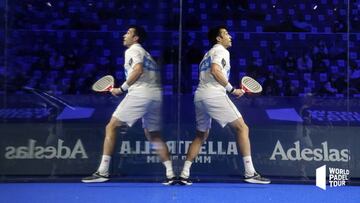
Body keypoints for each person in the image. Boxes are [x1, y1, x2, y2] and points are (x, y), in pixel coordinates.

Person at [82, 26, 175, 185]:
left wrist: (121, 89)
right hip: (156, 96)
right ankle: (171, 174)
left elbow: (137, 70)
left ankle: (102, 172)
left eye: (128, 33)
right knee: (153, 135)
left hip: (140, 93)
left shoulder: (133, 50)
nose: (124, 35)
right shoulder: (148, 55)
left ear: (136, 38)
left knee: (111, 126)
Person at [179, 26, 270, 185]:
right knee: (242, 128)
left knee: (201, 136)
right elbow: (215, 70)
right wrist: (232, 90)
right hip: (214, 94)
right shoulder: (221, 51)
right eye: (226, 34)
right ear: (218, 39)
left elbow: (211, 72)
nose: (230, 36)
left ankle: (184, 174)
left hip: (199, 96)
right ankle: (250, 173)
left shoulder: (207, 55)